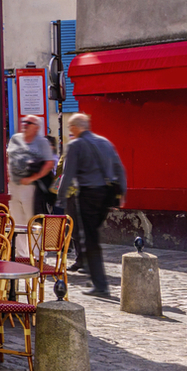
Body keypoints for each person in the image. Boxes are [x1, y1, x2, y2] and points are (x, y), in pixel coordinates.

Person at [57, 113, 125, 297]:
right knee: (92, 236)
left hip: (87, 194)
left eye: (71, 128)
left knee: (90, 238)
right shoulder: (104, 142)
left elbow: (67, 174)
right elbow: (119, 168)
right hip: (106, 194)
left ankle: (100, 285)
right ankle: (97, 279)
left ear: (76, 128)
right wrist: (122, 194)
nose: (71, 131)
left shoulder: (75, 145)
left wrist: (61, 197)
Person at [6, 115, 58, 255]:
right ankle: (21, 253)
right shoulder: (15, 139)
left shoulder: (42, 142)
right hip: (14, 186)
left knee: (32, 220)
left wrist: (32, 178)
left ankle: (36, 254)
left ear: (36, 127)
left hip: (31, 187)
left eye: (29, 123)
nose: (25, 124)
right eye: (23, 122)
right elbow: (9, 158)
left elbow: (49, 164)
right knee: (16, 220)